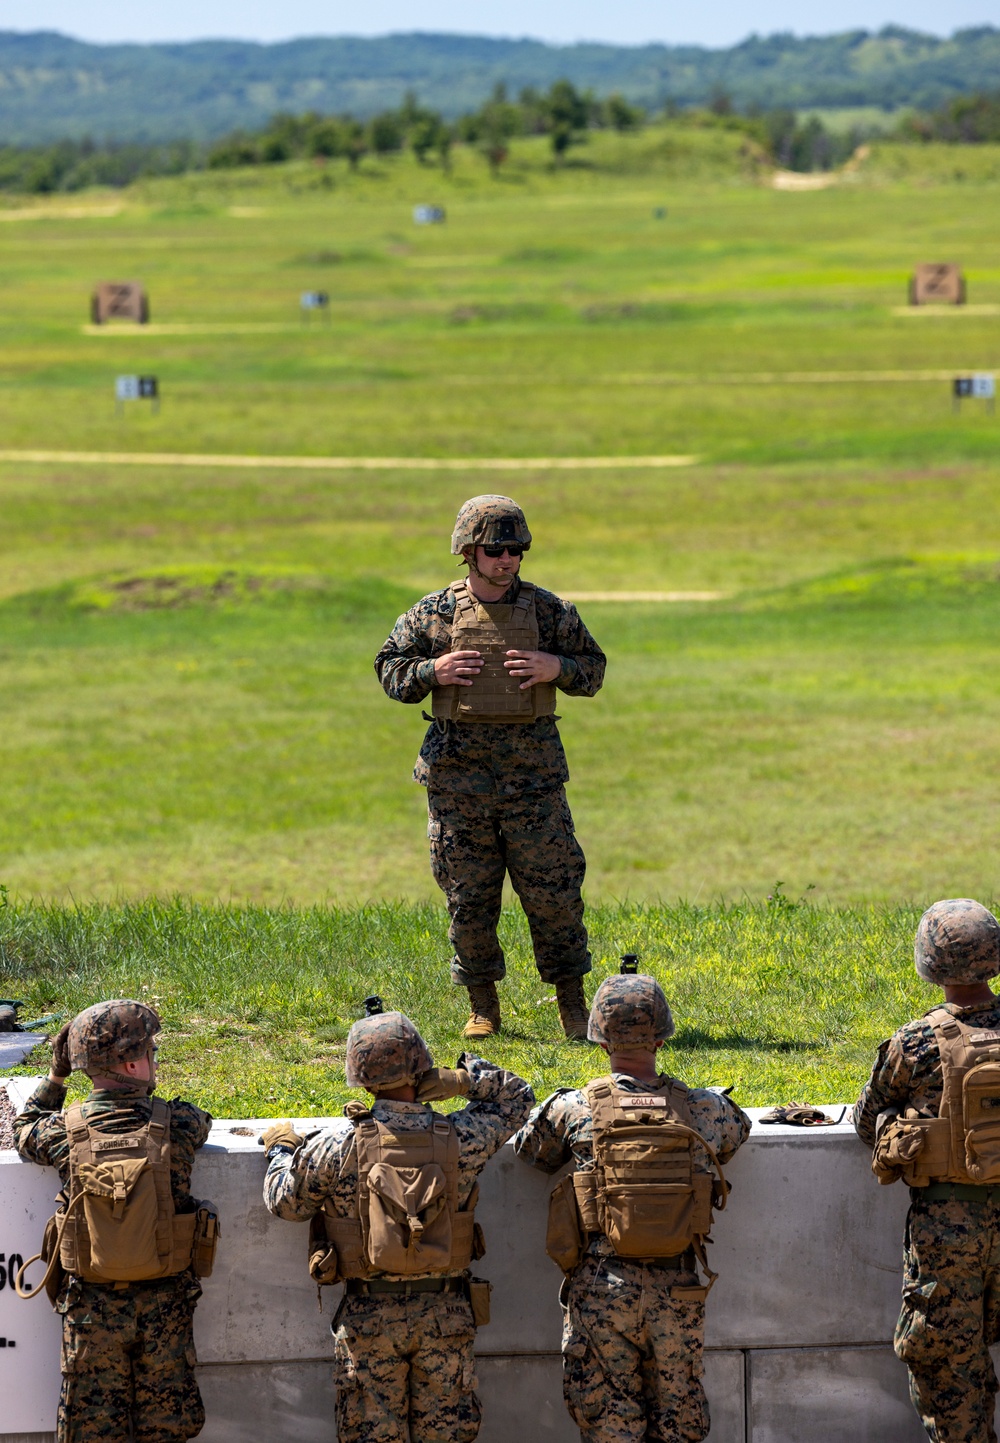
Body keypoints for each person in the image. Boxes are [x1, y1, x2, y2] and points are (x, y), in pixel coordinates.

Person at [374, 494, 606, 1040]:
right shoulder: (433, 614)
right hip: (459, 783)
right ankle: (483, 1006)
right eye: (496, 549)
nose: (508, 560)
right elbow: (390, 670)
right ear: (468, 552)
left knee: (555, 894)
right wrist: (433, 670)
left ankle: (571, 1005)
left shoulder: (550, 612)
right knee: (468, 896)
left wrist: (558, 666)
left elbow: (593, 671)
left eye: (517, 550)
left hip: (535, 783)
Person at [260, 1004, 534, 1443]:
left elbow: (284, 1204)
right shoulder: (462, 1138)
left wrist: (280, 1150)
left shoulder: (337, 1146)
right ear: (421, 1068)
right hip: (447, 1317)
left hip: (369, 1322)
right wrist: (462, 1080)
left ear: (361, 1079)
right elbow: (519, 1099)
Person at [512, 965, 750, 1442]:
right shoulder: (703, 1108)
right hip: (679, 1287)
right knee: (679, 1422)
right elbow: (736, 1134)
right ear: (661, 1039)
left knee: (609, 1425)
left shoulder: (574, 1108)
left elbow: (529, 1151)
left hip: (604, 1286)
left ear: (600, 1041)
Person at [14, 999, 214, 1443]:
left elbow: (23, 1129)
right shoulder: (178, 1123)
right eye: (151, 1052)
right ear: (132, 1062)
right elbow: (204, 1124)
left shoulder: (62, 1132)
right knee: (167, 1431)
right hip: (166, 1309)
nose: (155, 1059)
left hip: (90, 1312)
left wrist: (57, 1076)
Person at [854, 897, 1000, 1443]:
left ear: (930, 962)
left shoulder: (915, 1042)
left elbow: (868, 1122)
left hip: (947, 1228)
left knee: (948, 1369)